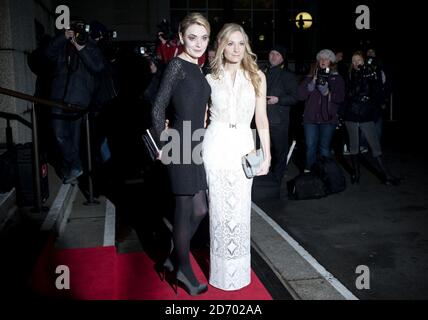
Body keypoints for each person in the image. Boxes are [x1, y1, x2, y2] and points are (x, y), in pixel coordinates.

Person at [203, 23, 271, 291]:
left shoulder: (257, 76)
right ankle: (219, 273)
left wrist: (266, 156)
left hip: (243, 145)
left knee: (241, 210)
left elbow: (261, 119)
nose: (235, 49)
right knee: (218, 211)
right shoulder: (208, 77)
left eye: (240, 43)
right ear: (221, 45)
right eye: (230, 43)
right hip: (215, 145)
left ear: (246, 46)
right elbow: (199, 118)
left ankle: (239, 273)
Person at [151, 12, 211, 296]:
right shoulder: (176, 65)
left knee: (201, 209)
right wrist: (164, 146)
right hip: (179, 143)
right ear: (181, 37)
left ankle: (174, 257)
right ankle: (184, 271)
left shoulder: (198, 68)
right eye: (192, 38)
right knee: (185, 208)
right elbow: (157, 108)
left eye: (203, 38)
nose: (198, 43)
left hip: (195, 143)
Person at [45, 18, 104, 184]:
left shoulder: (90, 45)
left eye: (79, 27)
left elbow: (98, 67)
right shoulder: (62, 45)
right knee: (59, 134)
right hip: (58, 97)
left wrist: (80, 47)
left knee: (74, 139)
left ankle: (70, 170)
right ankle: (75, 166)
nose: (76, 30)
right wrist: (63, 37)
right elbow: (47, 53)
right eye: (73, 27)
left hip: (79, 99)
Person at [343, 51, 399, 185]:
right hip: (351, 114)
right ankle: (356, 174)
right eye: (354, 60)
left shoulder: (372, 73)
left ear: (364, 61)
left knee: (375, 145)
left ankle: (387, 176)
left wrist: (372, 77)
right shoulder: (350, 75)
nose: (356, 63)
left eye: (359, 60)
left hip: (366, 115)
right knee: (354, 147)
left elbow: (378, 92)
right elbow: (350, 93)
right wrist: (361, 78)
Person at [298, 49, 345, 171]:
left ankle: (327, 173)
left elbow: (340, 98)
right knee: (310, 146)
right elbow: (300, 96)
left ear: (331, 62)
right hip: (310, 119)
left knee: (324, 148)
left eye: (327, 58)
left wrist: (328, 93)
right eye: (321, 58)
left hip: (328, 119)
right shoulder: (310, 77)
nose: (323, 61)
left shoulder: (337, 78)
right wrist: (310, 86)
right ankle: (309, 172)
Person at [264, 45, 298, 183]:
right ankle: (262, 174)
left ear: (283, 58)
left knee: (280, 150)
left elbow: (295, 97)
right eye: (272, 53)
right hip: (261, 119)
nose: (273, 56)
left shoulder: (287, 75)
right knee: (262, 149)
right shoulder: (263, 72)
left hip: (278, 120)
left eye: (277, 54)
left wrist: (279, 100)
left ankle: (277, 178)